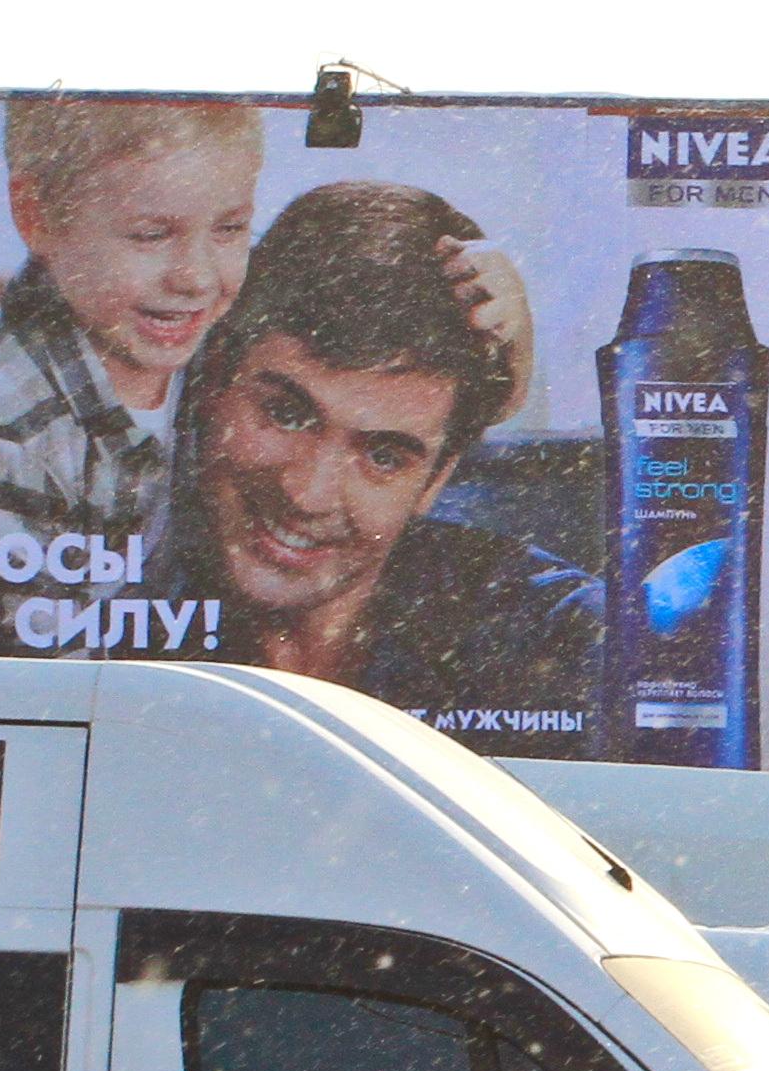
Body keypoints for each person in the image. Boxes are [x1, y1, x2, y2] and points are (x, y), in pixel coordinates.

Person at [0, 97, 528, 551]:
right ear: (35, 216)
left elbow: (452, 407)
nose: (196, 276)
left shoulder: (187, 328)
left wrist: (510, 325)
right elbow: (56, 674)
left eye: (229, 229)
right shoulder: (8, 431)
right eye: (151, 235)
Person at [141, 181, 589, 738]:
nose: (308, 494)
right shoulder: (103, 583)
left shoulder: (542, 624)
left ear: (436, 480)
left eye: (382, 455)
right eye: (285, 414)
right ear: (212, 390)